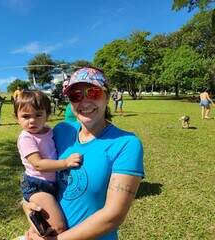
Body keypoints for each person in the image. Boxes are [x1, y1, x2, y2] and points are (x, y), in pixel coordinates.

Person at [24, 67, 144, 240]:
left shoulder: (126, 144)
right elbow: (35, 176)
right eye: (75, 95)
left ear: (107, 96)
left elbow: (113, 216)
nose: (84, 102)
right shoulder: (61, 131)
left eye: (93, 93)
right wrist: (29, 209)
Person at [14, 90, 82, 236]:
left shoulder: (49, 131)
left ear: (47, 115)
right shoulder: (26, 138)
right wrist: (66, 163)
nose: (32, 121)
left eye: (38, 115)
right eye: (25, 116)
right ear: (16, 118)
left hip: (52, 183)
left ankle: (31, 235)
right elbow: (38, 164)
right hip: (36, 185)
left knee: (46, 226)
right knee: (58, 228)